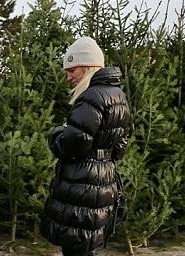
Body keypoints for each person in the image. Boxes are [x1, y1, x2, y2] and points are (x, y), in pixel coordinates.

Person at [40, 36, 131, 256]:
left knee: (75, 247)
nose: (68, 76)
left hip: (82, 187)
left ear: (89, 67)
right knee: (86, 246)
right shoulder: (118, 95)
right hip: (103, 181)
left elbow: (73, 145)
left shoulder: (90, 97)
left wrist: (57, 134)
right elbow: (122, 143)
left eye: (73, 70)